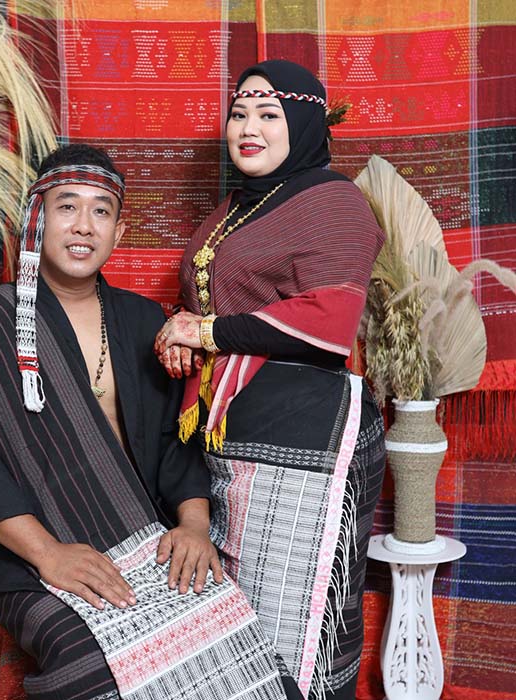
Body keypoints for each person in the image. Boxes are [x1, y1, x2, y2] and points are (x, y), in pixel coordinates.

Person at [0, 145, 302, 700]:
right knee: (90, 663)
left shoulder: (142, 320)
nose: (84, 225)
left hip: (137, 529)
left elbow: (175, 441)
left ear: (119, 231)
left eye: (101, 211)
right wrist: (49, 555)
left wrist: (193, 527)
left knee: (233, 631)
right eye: (67, 206)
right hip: (23, 553)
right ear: (36, 219)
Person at [154, 60, 387, 700]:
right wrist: (180, 335)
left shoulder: (333, 201)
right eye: (239, 114)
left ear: (306, 124)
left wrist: (202, 333)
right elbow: (219, 309)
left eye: (268, 115)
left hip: (306, 436)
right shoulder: (235, 208)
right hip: (228, 434)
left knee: (296, 625)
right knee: (236, 627)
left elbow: (329, 319)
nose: (248, 128)